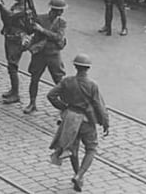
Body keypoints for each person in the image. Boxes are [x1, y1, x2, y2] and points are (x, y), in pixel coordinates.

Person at [47, 54, 109, 192]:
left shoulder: (67, 81)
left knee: (72, 149)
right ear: (88, 68)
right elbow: (99, 105)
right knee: (91, 148)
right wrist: (105, 123)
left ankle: (76, 174)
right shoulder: (92, 85)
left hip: (70, 120)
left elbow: (51, 95)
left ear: (75, 66)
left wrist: (64, 107)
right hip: (86, 120)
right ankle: (79, 175)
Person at [24, 0, 67, 114]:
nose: (61, 13)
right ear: (53, 10)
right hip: (40, 54)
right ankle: (32, 103)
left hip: (53, 54)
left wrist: (42, 30)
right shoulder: (40, 18)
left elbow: (58, 37)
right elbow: (31, 31)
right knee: (34, 78)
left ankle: (64, 106)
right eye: (59, 10)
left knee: (59, 81)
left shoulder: (61, 22)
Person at [0, 0, 32, 104]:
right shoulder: (17, 6)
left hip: (17, 40)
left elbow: (10, 16)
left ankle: (16, 94)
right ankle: (13, 89)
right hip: (11, 37)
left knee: (13, 66)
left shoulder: (24, 9)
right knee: (10, 66)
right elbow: (6, 20)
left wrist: (1, 5)